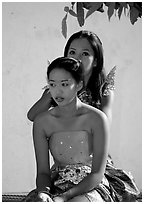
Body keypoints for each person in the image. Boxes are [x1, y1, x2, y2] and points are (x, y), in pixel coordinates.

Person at [25, 57, 110, 202]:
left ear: (79, 85)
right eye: (52, 84)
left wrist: (64, 197)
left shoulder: (97, 118)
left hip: (91, 186)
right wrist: (43, 193)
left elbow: (97, 173)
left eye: (64, 84)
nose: (57, 91)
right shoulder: (42, 122)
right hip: (56, 183)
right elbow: (43, 172)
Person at [27, 30, 114, 123]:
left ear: (95, 61)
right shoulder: (56, 88)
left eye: (85, 54)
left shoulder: (103, 92)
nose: (77, 58)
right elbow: (32, 116)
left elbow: (105, 123)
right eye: (72, 52)